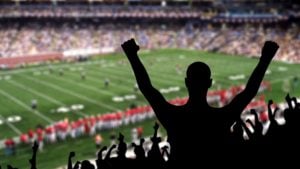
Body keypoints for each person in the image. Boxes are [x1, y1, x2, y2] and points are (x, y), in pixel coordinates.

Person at [122, 39, 279, 165]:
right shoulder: (221, 118)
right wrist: (265, 59)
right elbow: (249, 92)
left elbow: (147, 88)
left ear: (186, 82)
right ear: (210, 83)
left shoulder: (173, 117)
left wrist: (132, 56)